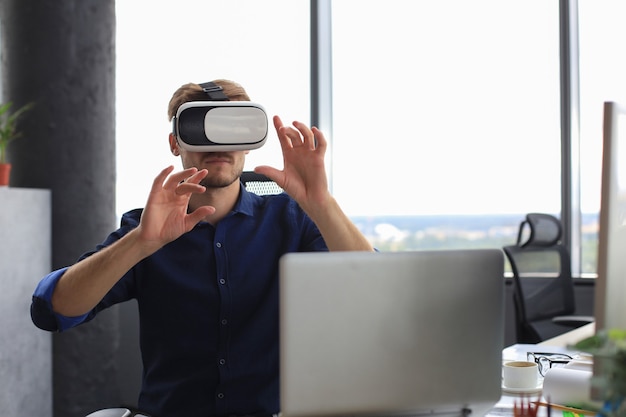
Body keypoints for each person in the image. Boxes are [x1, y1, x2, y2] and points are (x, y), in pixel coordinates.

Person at [30, 79, 374, 417]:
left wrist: (321, 203)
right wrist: (140, 244)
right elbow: (52, 310)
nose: (218, 144)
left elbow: (373, 291)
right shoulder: (145, 229)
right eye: (201, 128)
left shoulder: (291, 221)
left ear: (249, 144)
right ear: (175, 143)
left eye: (232, 129)